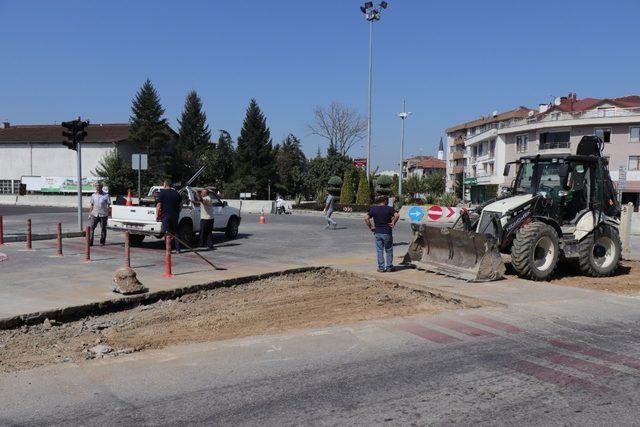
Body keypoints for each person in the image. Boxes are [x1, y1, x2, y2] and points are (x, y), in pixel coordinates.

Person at [364, 195, 400, 272]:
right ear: (385, 201)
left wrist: (371, 227)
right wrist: (393, 222)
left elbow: (366, 218)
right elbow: (397, 215)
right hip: (387, 232)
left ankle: (381, 267)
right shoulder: (389, 209)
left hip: (377, 232)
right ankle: (389, 267)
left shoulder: (373, 209)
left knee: (379, 250)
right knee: (389, 250)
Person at [156, 180, 182, 253]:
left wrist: (157, 215)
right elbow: (180, 205)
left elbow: (159, 205)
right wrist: (177, 212)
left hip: (165, 216)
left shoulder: (162, 193)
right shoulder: (176, 193)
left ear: (165, 184)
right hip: (175, 216)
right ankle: (178, 249)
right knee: (176, 232)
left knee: (167, 232)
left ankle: (168, 249)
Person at [88, 182, 110, 246]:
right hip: (94, 214)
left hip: (103, 214)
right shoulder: (93, 195)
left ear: (101, 187)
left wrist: (108, 213)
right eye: (97, 187)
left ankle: (102, 241)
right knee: (91, 228)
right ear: (96, 187)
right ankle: (90, 242)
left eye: (99, 186)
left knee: (103, 228)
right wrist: (90, 214)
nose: (98, 188)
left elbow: (109, 205)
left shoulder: (106, 195)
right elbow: (92, 205)